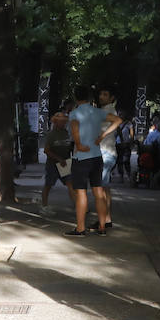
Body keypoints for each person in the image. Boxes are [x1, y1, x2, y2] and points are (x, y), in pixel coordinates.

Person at [66, 86, 121, 237]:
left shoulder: (74, 113)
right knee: (99, 192)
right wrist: (102, 135)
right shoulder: (98, 112)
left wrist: (78, 144)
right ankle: (102, 227)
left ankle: (80, 228)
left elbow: (75, 128)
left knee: (81, 193)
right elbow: (118, 120)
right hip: (97, 156)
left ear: (76, 98)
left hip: (81, 157)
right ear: (90, 98)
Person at [93, 88, 123, 230]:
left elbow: (118, 122)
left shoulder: (107, 110)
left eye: (105, 94)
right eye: (100, 93)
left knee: (100, 189)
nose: (101, 96)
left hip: (105, 152)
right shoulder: (107, 109)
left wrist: (102, 136)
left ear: (112, 98)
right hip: (108, 152)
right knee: (105, 188)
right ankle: (107, 219)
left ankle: (102, 221)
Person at [40, 111, 73, 214]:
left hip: (66, 163)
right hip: (53, 164)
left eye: (64, 121)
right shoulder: (51, 135)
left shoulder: (67, 133)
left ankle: (79, 205)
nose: (63, 123)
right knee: (48, 185)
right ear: (55, 122)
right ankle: (44, 206)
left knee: (70, 184)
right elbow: (46, 150)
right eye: (61, 121)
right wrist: (58, 159)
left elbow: (71, 147)